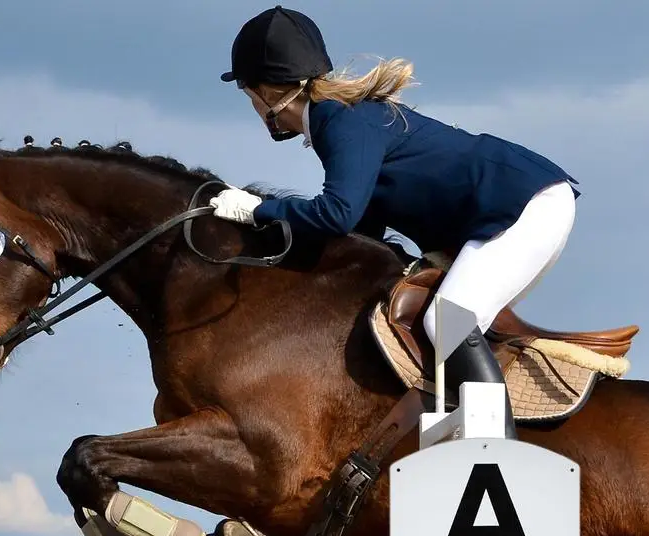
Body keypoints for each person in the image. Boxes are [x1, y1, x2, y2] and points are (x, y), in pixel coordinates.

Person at [211, 6, 580, 438]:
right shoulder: (339, 120)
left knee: (448, 320)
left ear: (268, 93)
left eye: (249, 95)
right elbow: (360, 231)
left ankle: (496, 450)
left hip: (524, 206)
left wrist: (257, 209)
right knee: (445, 324)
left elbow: (337, 213)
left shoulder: (341, 119)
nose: (253, 107)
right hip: (516, 208)